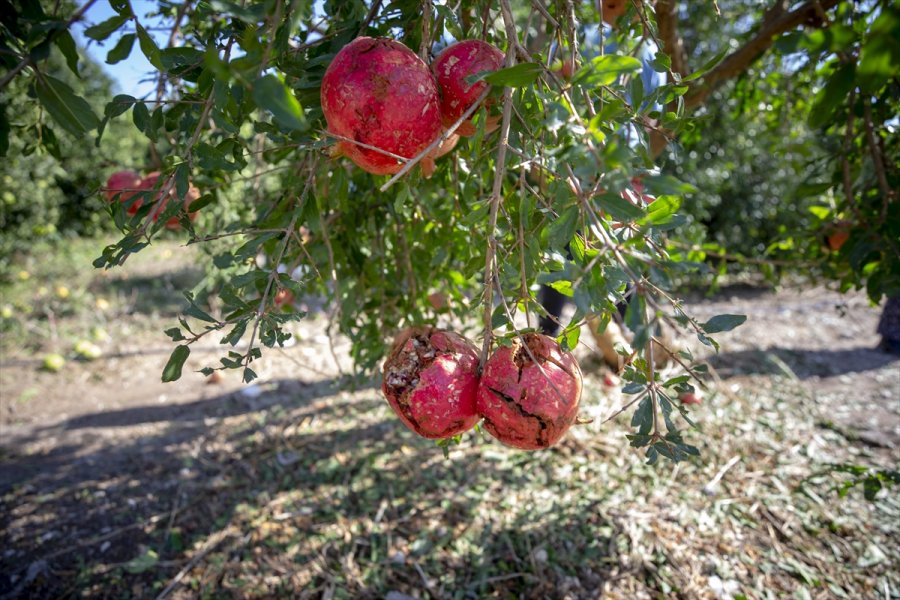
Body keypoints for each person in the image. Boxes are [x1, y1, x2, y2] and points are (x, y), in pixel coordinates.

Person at [537, 0, 665, 367]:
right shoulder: (576, 36)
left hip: (606, 171)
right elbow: (649, 119)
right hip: (583, 169)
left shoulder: (644, 49)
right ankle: (546, 348)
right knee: (572, 255)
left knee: (600, 259)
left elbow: (649, 119)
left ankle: (634, 353)